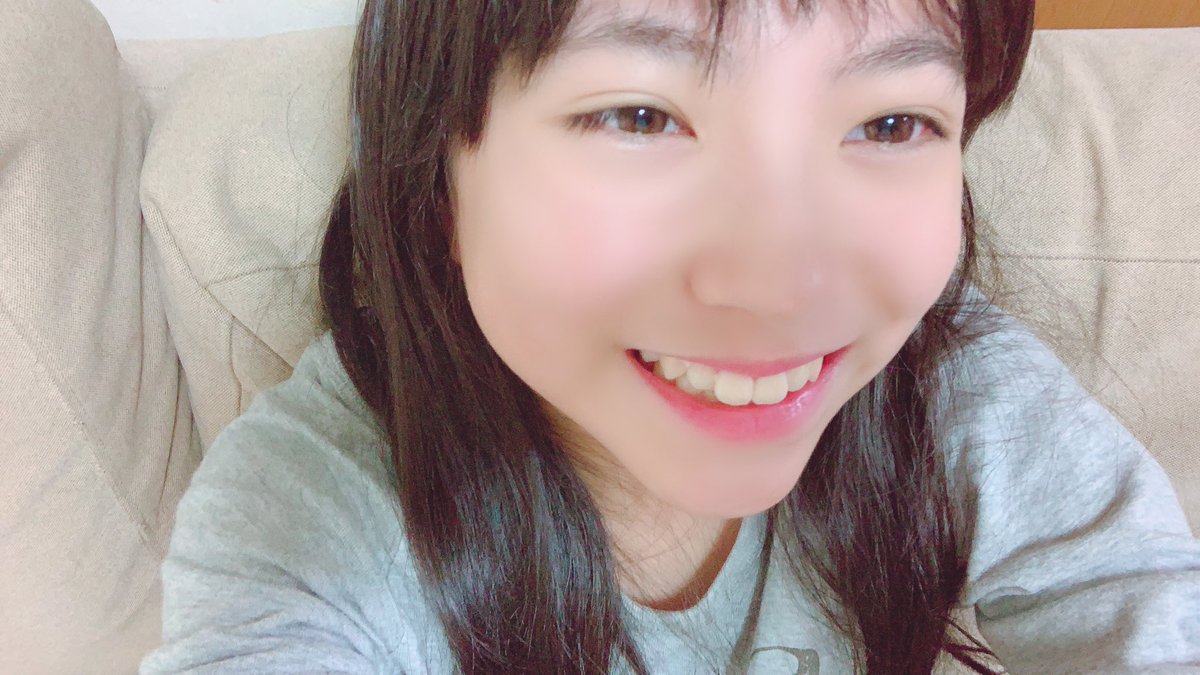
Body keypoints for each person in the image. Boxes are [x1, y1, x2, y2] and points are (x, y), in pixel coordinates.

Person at [140, 0, 1200, 673]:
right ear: (436, 182)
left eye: (890, 123)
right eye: (638, 117)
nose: (782, 286)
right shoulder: (312, 513)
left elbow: (1138, 606)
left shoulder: (954, 387)